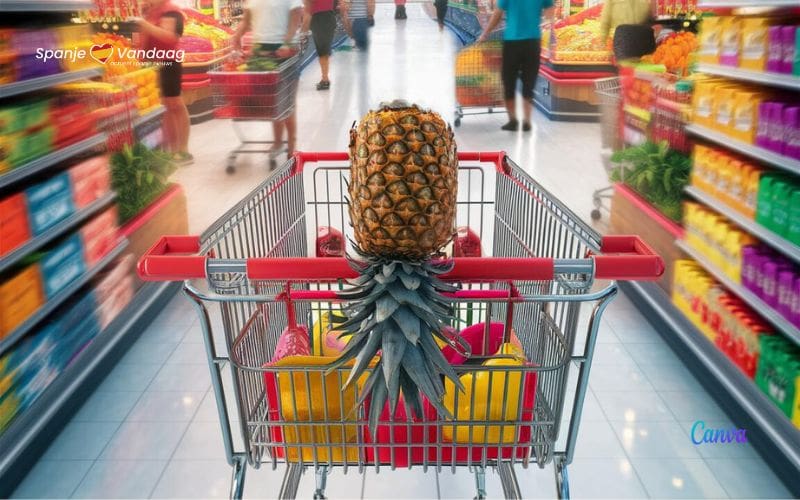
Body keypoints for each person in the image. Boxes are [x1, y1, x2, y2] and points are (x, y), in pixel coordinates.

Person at [232, 0, 303, 156]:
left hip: (284, 50)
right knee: (272, 100)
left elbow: (296, 16)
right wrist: (237, 36)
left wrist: (287, 42)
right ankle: (277, 142)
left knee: (287, 101)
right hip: (260, 51)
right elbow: (247, 19)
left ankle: (291, 144)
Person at [478, 0, 553, 132]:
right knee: (529, 82)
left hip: (512, 42)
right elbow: (549, 10)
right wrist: (547, 22)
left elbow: (498, 14)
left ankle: (513, 121)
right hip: (533, 42)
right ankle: (527, 121)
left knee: (508, 81)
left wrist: (485, 33)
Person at [136, 0, 192, 164]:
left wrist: (144, 24)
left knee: (175, 103)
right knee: (164, 107)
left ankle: (183, 150)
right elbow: (141, 39)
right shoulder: (149, 11)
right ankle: (170, 149)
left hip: (169, 62)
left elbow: (170, 37)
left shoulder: (171, 10)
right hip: (152, 64)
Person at [304, 0, 336, 90]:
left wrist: (303, 32)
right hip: (330, 17)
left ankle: (325, 79)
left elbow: (307, 12)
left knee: (322, 52)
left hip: (319, 20)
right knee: (324, 51)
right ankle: (324, 78)